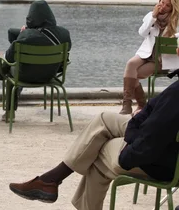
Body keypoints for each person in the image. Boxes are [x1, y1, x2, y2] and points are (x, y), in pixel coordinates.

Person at [9, 77, 179, 210]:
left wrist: (126, 154)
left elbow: (151, 141)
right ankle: (50, 180)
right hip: (163, 147)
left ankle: (49, 181)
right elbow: (151, 112)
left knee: (97, 150)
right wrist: (134, 128)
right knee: (103, 119)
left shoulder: (176, 94)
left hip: (161, 161)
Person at [0, 1, 72, 121]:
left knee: (10, 74)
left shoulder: (26, 35)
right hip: (51, 75)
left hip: (25, 76)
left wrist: (22, 34)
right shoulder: (64, 33)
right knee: (15, 67)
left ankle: (9, 113)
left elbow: (9, 58)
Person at [119, 0, 179, 114]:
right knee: (131, 64)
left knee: (133, 75)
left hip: (161, 60)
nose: (163, 6)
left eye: (167, 5)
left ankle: (141, 105)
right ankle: (127, 105)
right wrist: (153, 17)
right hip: (146, 53)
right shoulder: (150, 16)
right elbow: (142, 33)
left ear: (172, 8)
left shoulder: (176, 21)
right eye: (162, 3)